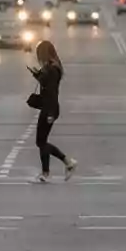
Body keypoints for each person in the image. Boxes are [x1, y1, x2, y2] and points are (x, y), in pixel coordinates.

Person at [29, 40, 78, 183]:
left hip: (50, 108)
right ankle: (49, 171)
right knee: (42, 141)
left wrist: (50, 113)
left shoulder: (52, 69)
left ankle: (65, 163)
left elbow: (51, 92)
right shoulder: (52, 67)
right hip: (49, 107)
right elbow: (47, 84)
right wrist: (37, 75)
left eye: (39, 54)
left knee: (41, 142)